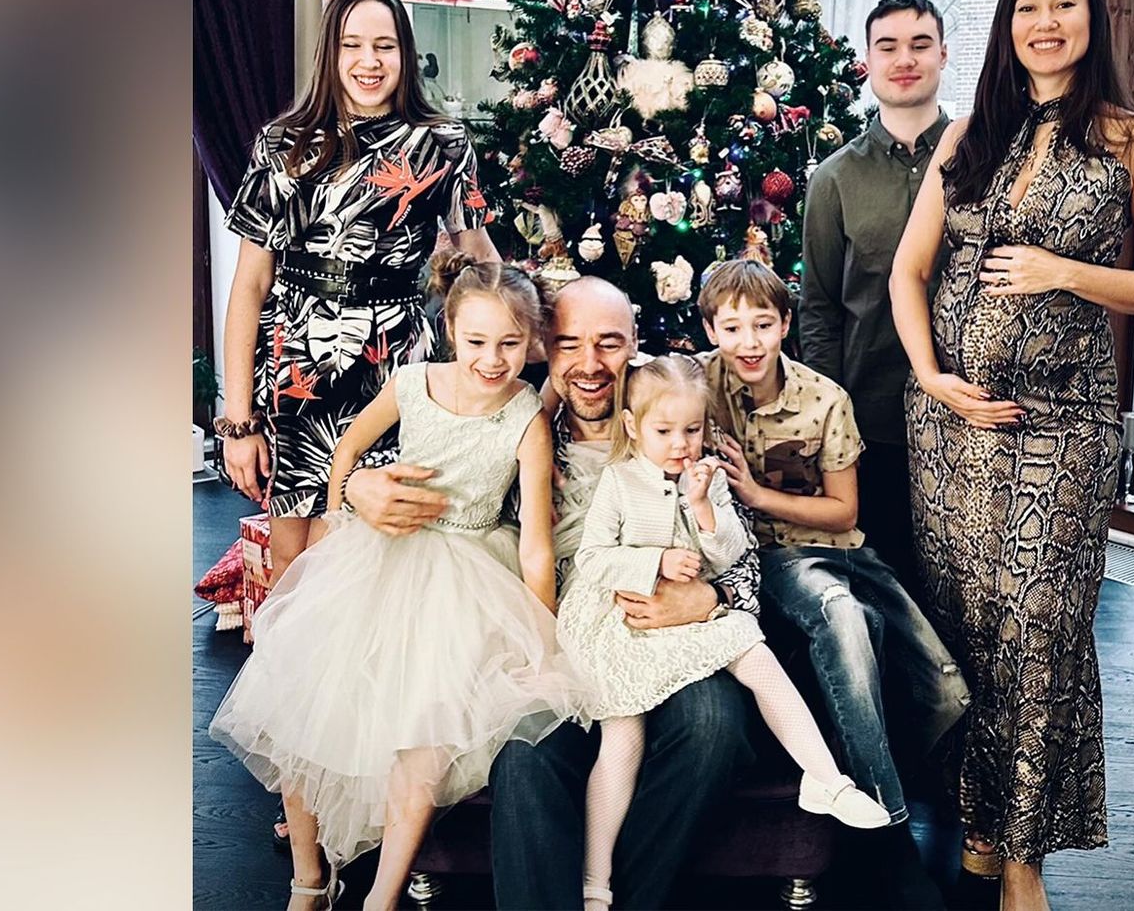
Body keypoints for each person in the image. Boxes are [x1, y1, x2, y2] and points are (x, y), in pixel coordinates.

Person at [888, 0, 1134, 911]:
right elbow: (909, 272)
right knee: (968, 627)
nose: (1044, 22)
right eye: (1028, 6)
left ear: (1092, 22)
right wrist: (932, 378)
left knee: (1039, 630)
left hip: (1061, 423)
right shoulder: (968, 134)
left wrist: (1063, 272)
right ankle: (980, 824)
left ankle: (1023, 859)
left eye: (1064, 4)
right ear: (1007, 25)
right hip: (950, 430)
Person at [344, 276, 761, 909]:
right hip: (557, 641)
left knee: (713, 725)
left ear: (635, 343)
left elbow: (744, 548)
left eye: (609, 343)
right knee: (523, 753)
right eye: (569, 344)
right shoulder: (520, 424)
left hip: (671, 638)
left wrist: (713, 599)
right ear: (544, 348)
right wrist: (356, 484)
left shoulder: (679, 420)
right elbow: (423, 457)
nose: (589, 364)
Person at [210, 255, 589, 911]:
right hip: (380, 555)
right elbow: (348, 448)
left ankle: (381, 898)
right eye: (476, 342)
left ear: (532, 340)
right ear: (450, 329)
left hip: (467, 575)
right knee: (305, 702)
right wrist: (338, 518)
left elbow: (534, 543)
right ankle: (308, 879)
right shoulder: (413, 383)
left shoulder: (526, 416)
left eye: (509, 344)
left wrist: (541, 639)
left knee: (424, 739)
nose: (492, 360)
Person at [215, 0, 499, 847]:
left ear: (405, 55)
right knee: (292, 579)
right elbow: (248, 289)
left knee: (362, 582)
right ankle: (299, 778)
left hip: (391, 373)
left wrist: (519, 328)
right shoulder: (284, 144)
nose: (369, 61)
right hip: (297, 371)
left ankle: (357, 774)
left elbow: (481, 260)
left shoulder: (442, 144)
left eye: (385, 46)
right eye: (353, 45)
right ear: (330, 53)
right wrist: (237, 419)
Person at [560, 355, 890, 910]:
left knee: (755, 653)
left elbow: (730, 554)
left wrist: (702, 507)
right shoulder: (619, 480)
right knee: (623, 739)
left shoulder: (705, 479)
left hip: (690, 614)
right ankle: (596, 881)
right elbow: (592, 559)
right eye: (664, 432)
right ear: (633, 427)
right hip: (624, 620)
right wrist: (654, 561)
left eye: (692, 430)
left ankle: (825, 779)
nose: (680, 444)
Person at [698, 259, 971, 908]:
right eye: (731, 327)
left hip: (833, 550)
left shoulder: (824, 400)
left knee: (935, 679)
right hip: (759, 558)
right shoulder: (694, 385)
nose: (748, 342)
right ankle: (891, 839)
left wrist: (757, 494)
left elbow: (844, 513)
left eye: (762, 324)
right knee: (843, 617)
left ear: (785, 323)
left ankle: (916, 808)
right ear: (709, 330)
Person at [798, 0, 951, 600]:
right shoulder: (834, 178)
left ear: (943, 55)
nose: (904, 59)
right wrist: (826, 423)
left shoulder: (984, 160)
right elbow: (819, 308)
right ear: (868, 60)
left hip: (971, 412)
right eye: (888, 47)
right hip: (873, 419)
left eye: (920, 45)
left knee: (963, 591)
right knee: (886, 591)